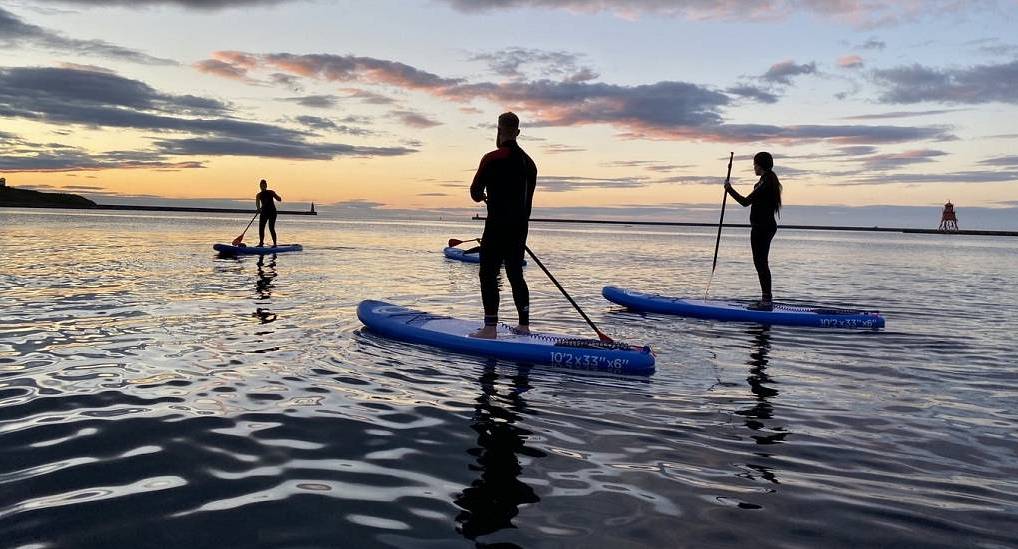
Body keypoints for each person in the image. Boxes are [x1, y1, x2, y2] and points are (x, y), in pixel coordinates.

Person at [469, 112, 537, 339]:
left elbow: (475, 193)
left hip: (498, 226)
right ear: (517, 132)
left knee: (488, 273)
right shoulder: (530, 164)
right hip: (520, 229)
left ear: (499, 131)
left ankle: (490, 329)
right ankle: (524, 326)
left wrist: (485, 194)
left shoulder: (492, 158)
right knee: (515, 274)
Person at [724, 152, 782, 310]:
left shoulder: (767, 182)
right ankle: (766, 299)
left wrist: (729, 189)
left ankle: (767, 301)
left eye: (755, 164)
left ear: (761, 165)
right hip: (762, 227)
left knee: (761, 263)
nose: (754, 167)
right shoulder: (763, 181)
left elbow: (745, 202)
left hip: (762, 228)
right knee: (760, 263)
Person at [255, 179, 282, 247]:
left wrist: (276, 196)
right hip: (264, 212)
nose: (262, 187)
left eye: (264, 185)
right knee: (261, 228)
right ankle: (261, 243)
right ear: (260, 186)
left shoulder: (271, 192)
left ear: (266, 186)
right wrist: (258, 209)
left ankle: (275, 244)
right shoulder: (258, 195)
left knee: (271, 228)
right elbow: (257, 204)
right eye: (261, 186)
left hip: (272, 212)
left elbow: (279, 199)